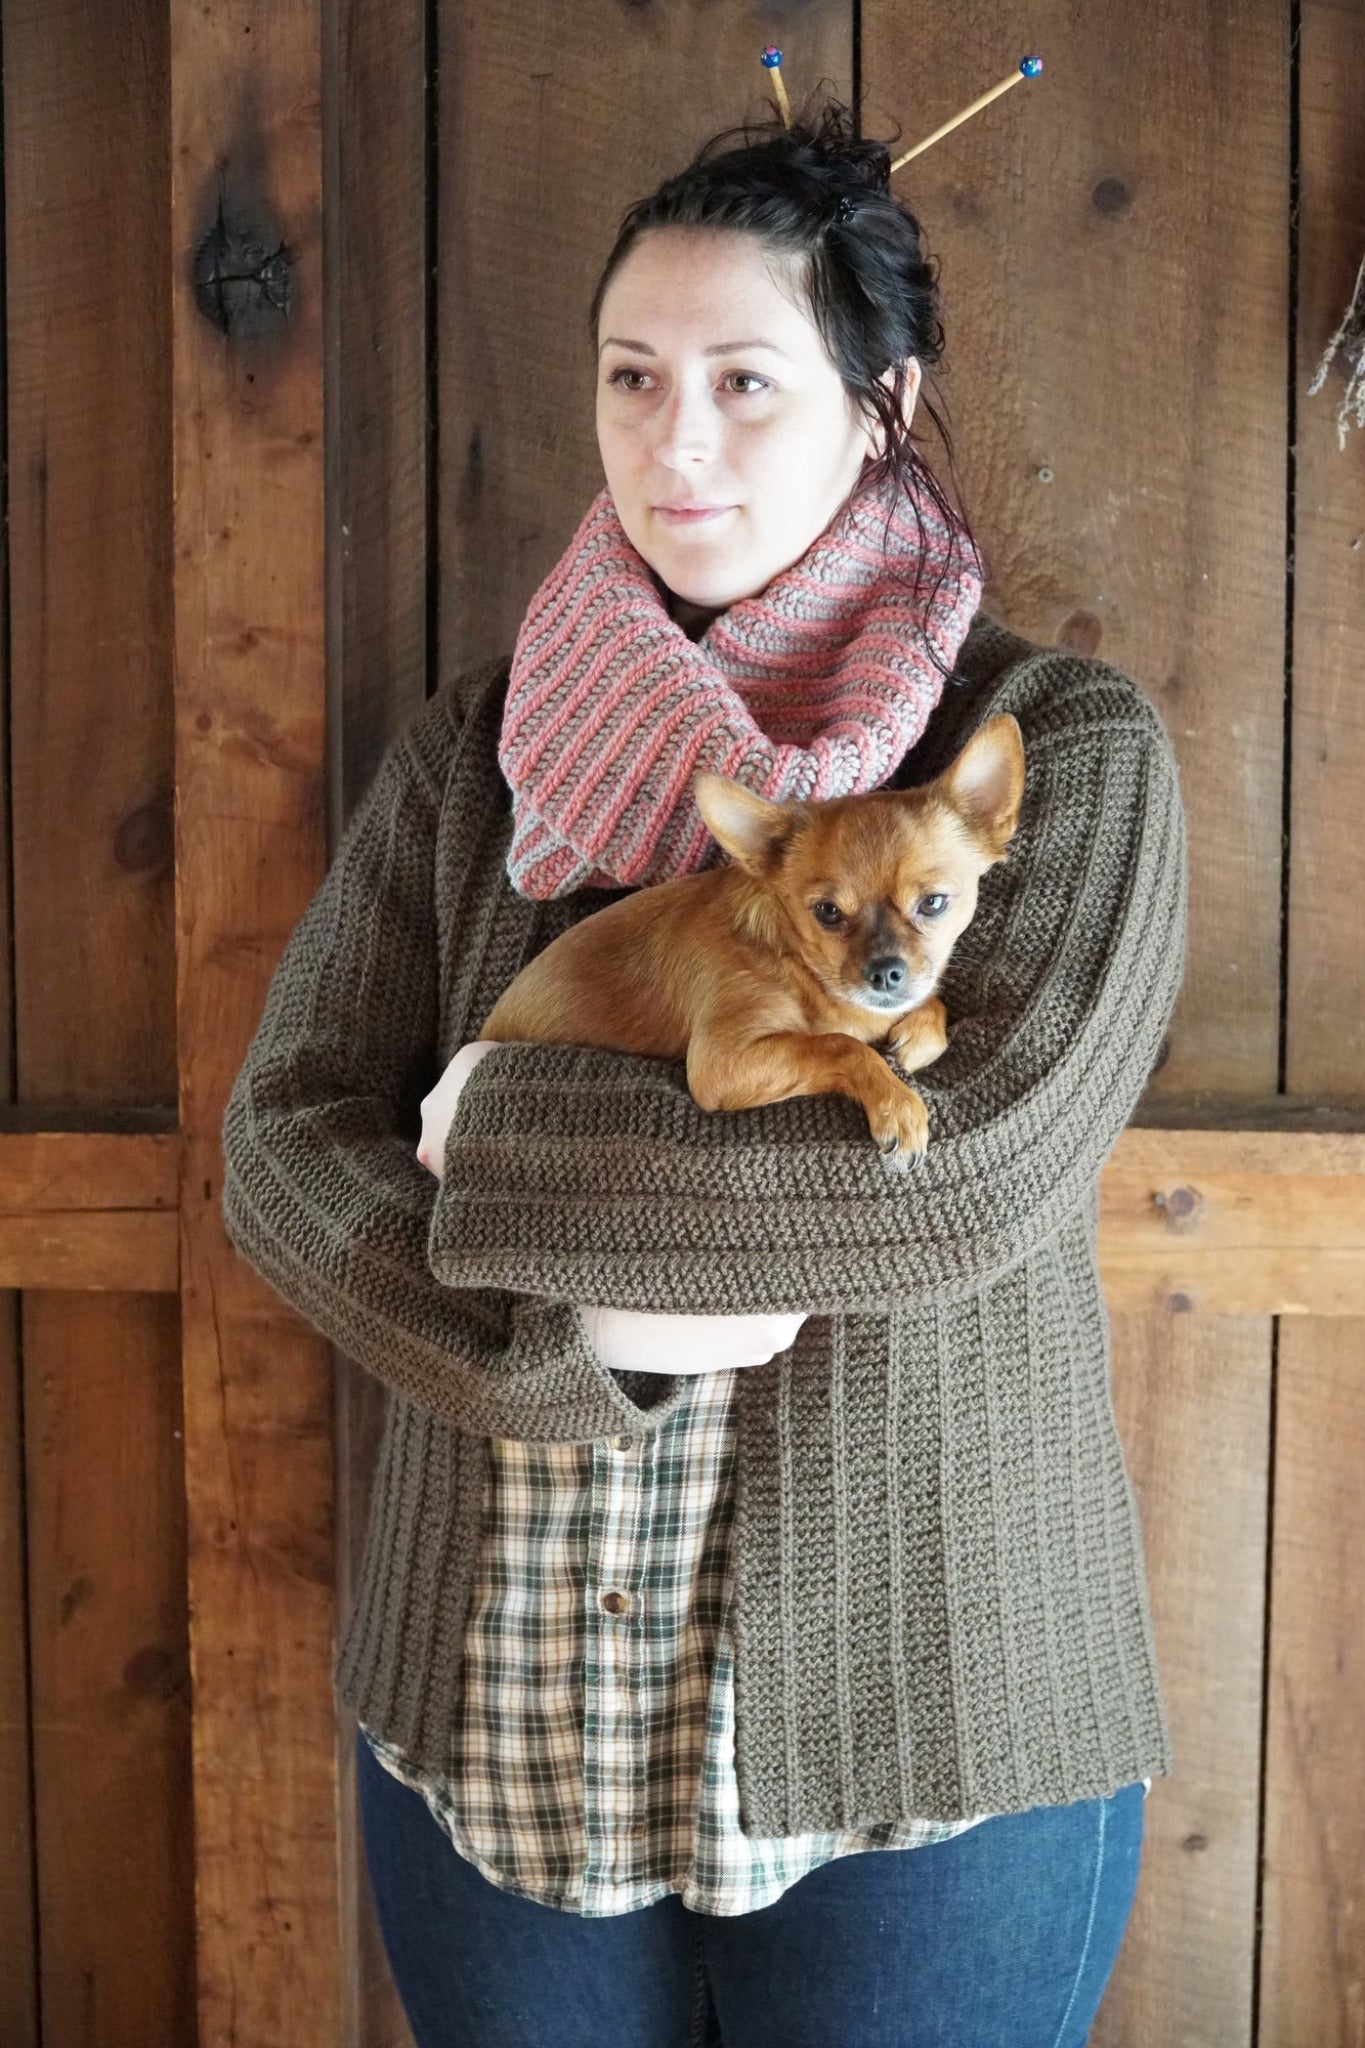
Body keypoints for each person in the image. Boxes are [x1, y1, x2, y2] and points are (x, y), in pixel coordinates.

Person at [220, 96, 1188, 2048]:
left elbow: (963, 1168)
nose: (675, 441)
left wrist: (488, 1127)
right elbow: (281, 1153)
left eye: (746, 381)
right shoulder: (473, 750)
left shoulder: (1052, 751)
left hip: (933, 1721)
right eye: (631, 377)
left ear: (880, 396)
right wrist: (543, 1341)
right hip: (500, 1718)